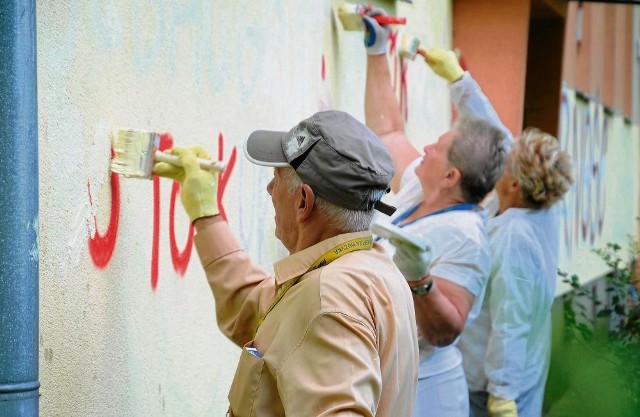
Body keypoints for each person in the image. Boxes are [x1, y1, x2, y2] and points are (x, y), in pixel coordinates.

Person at [153, 110, 419, 417]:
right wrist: (206, 214)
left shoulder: (328, 297)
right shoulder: (368, 267)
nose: (269, 189)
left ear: (303, 202)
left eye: (276, 177)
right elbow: (257, 309)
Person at [362, 9, 509, 417]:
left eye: (436, 146)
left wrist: (421, 281)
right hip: (386, 375)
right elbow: (388, 133)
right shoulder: (418, 186)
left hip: (425, 394)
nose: (424, 148)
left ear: (450, 175)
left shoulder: (466, 238)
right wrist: (378, 52)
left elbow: (446, 329)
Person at [457, 128, 574, 417]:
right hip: (524, 367)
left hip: (491, 386)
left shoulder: (514, 238)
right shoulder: (542, 211)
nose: (501, 163)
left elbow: (512, 319)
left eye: (506, 163)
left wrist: (502, 395)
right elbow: (495, 128)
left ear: (514, 184)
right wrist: (462, 85)